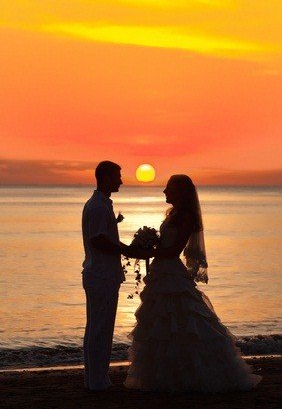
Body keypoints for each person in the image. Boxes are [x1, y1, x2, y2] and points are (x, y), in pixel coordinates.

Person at [124, 174, 262, 393]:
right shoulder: (174, 214)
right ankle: (163, 376)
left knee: (180, 322)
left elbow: (174, 250)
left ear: (179, 191)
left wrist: (148, 251)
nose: (164, 192)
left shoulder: (187, 217)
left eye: (168, 188)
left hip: (170, 272)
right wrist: (150, 240)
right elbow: (166, 244)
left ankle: (190, 376)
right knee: (160, 325)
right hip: (161, 271)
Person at [82, 161, 138, 391]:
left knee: (98, 327)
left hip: (102, 275)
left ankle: (96, 378)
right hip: (101, 276)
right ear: (105, 177)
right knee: (100, 329)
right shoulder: (97, 206)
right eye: (117, 176)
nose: (121, 181)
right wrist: (126, 249)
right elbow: (98, 240)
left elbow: (102, 235)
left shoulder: (101, 205)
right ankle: (96, 381)